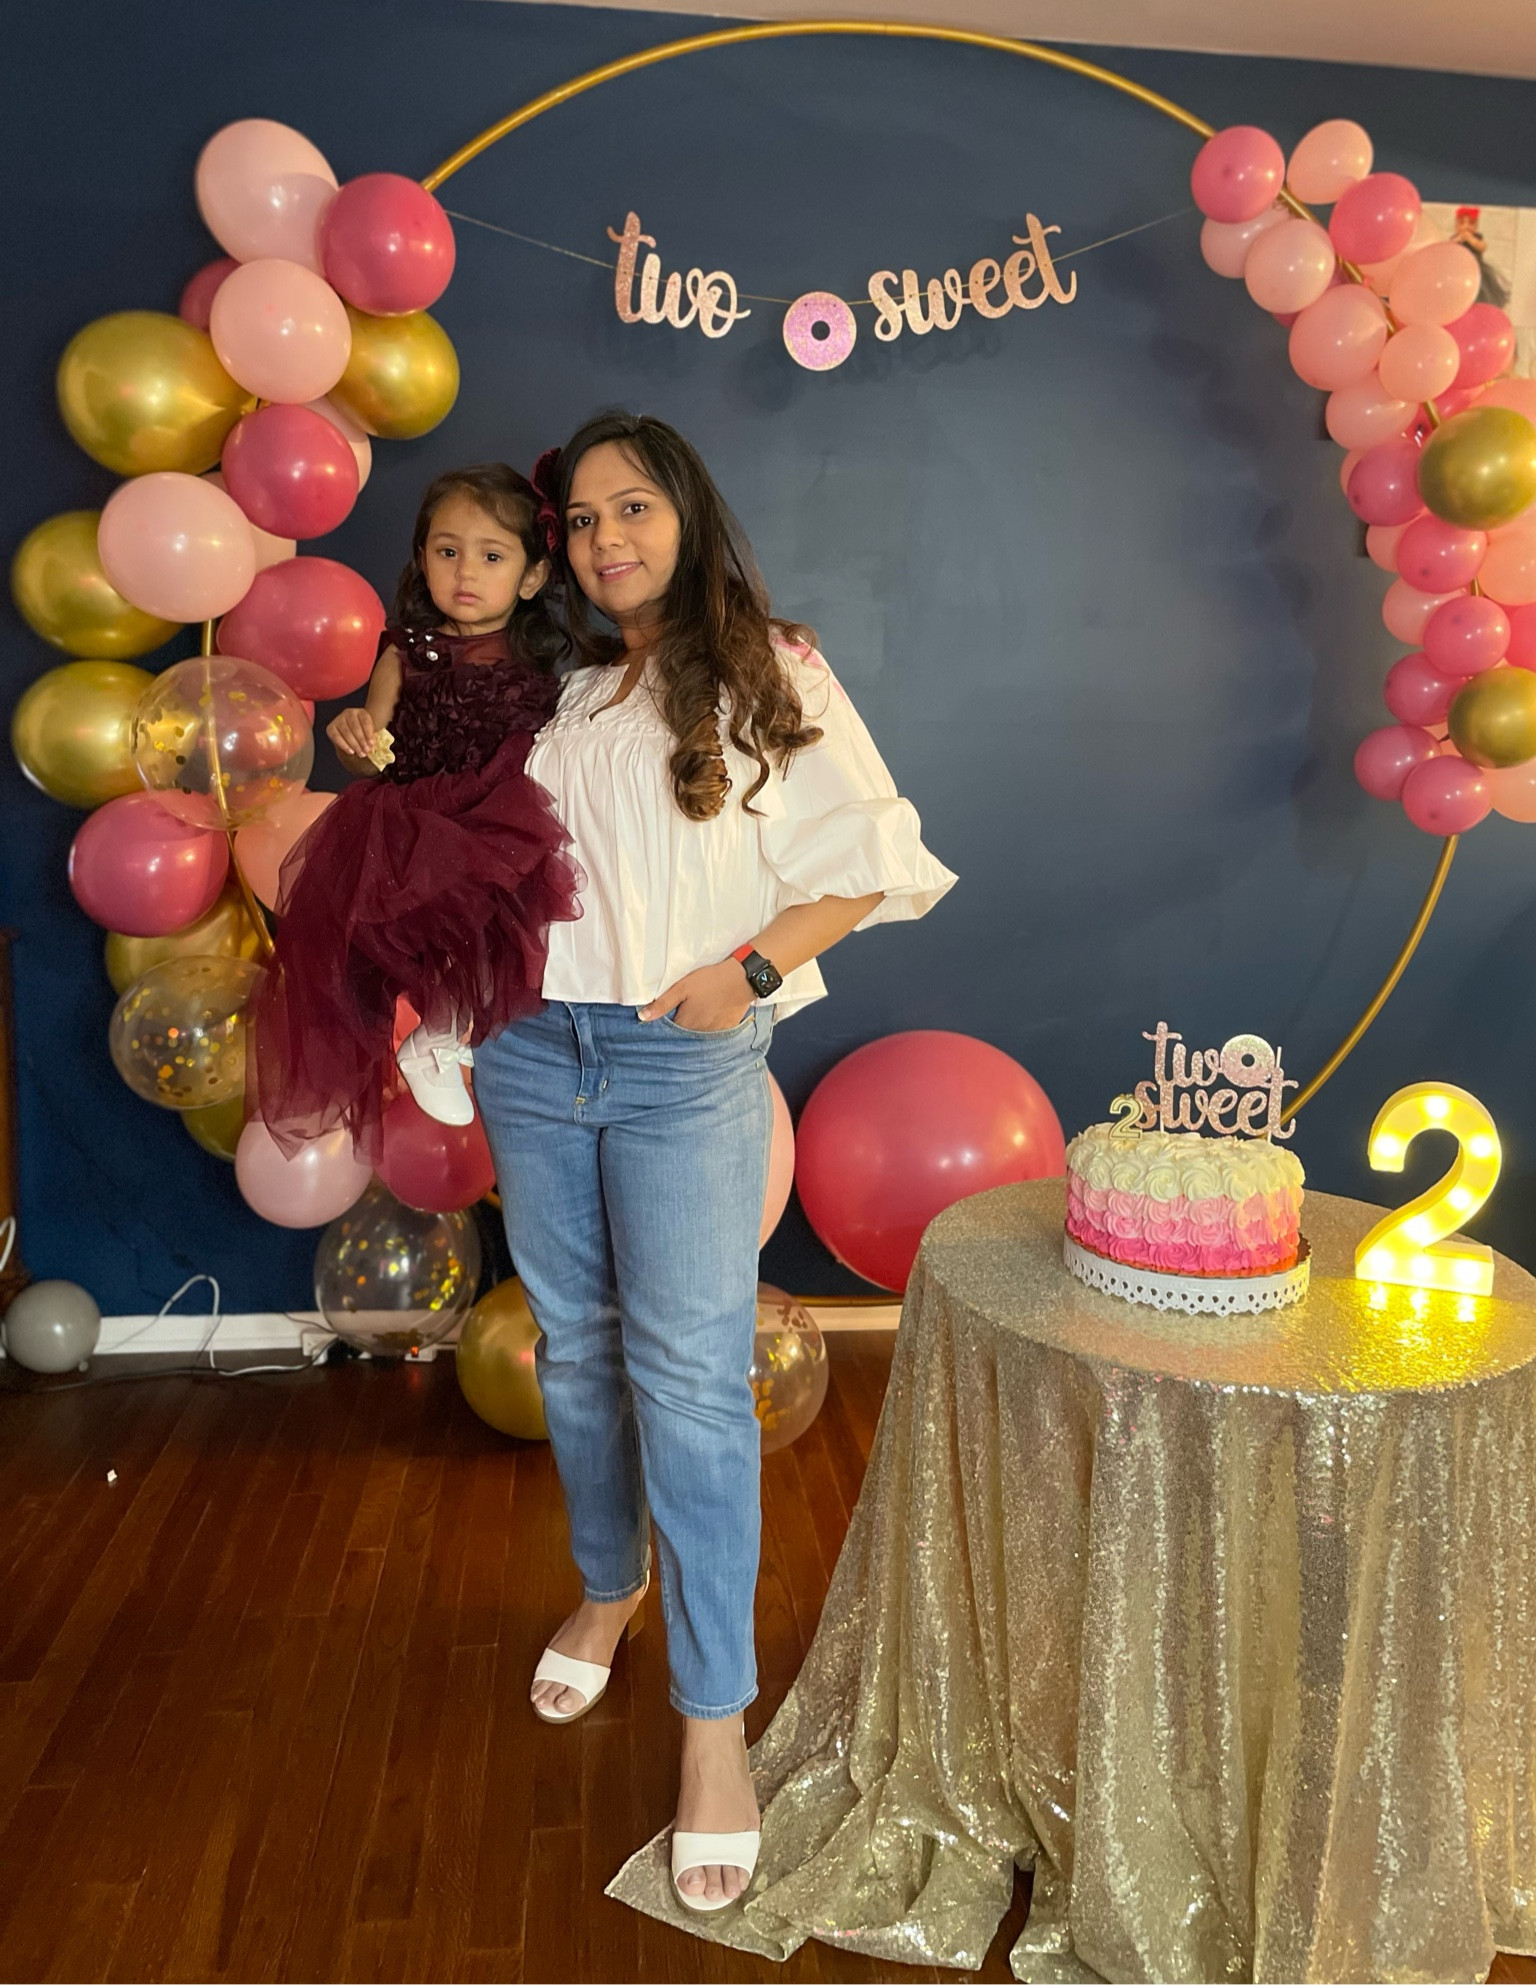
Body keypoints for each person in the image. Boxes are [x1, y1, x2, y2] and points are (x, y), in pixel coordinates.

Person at [472, 412, 957, 1913]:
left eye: (637, 507)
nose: (608, 538)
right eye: (584, 519)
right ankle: (611, 1591)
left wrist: (743, 976)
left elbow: (872, 861)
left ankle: (713, 1725)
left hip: (682, 1062)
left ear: (687, 514)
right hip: (532, 1053)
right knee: (576, 1353)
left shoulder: (771, 667)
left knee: (687, 1374)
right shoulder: (550, 684)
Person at [247, 464, 580, 1158]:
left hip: (500, 815)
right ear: (422, 556)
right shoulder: (406, 651)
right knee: (442, 927)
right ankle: (434, 1036)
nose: (465, 571)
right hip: (419, 820)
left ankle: (440, 1036)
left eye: (491, 555)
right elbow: (377, 750)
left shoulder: (551, 659)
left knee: (511, 927)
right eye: (446, 550)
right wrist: (356, 741)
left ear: (530, 576)